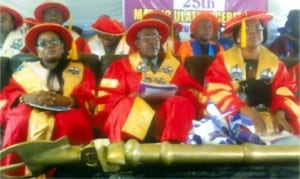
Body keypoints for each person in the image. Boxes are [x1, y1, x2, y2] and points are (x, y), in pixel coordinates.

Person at [0, 23, 96, 176]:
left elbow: (89, 96)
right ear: (38, 51)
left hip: (67, 109)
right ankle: (16, 173)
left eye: (54, 42)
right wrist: (25, 97)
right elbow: (8, 93)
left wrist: (68, 100)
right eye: (43, 44)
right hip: (31, 109)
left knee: (72, 122)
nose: (49, 46)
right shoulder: (25, 69)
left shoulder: (80, 70)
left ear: (63, 47)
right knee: (20, 120)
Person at [94, 19, 203, 143]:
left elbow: (191, 90)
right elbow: (107, 99)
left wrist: (177, 92)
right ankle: (130, 147)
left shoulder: (174, 65)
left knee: (180, 102)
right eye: (146, 38)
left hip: (167, 115)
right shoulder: (120, 66)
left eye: (156, 38)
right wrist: (131, 96)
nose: (152, 42)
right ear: (137, 43)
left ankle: (174, 148)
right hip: (135, 115)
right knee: (130, 102)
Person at [203, 11, 299, 137]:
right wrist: (243, 109)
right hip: (235, 113)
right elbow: (217, 90)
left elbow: (284, 89)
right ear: (238, 36)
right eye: (247, 29)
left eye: (257, 28)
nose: (254, 32)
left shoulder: (275, 63)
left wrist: (280, 111)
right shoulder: (223, 61)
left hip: (270, 113)